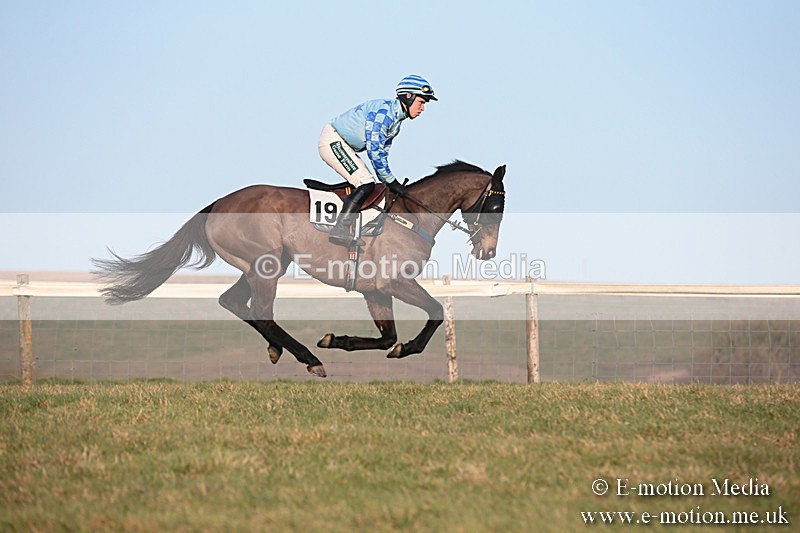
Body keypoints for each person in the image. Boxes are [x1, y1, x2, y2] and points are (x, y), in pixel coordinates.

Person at [318, 74, 437, 246]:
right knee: (366, 183)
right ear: (408, 97)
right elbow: (374, 152)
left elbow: (383, 154)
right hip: (333, 141)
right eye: (421, 102)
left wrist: (388, 182)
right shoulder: (384, 114)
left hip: (345, 144)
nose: (422, 108)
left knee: (372, 184)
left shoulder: (396, 122)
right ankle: (340, 229)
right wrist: (392, 181)